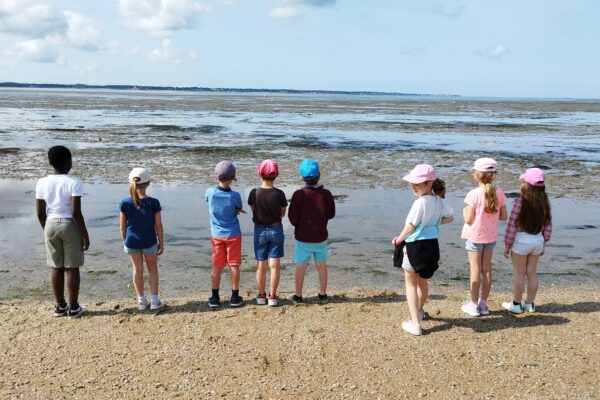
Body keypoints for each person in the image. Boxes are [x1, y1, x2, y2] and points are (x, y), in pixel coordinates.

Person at [391, 164, 454, 336]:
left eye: (417, 183)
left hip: (415, 246)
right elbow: (451, 217)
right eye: (412, 183)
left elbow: (410, 227)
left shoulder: (420, 203)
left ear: (429, 183)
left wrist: (398, 239)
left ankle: (415, 323)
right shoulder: (439, 201)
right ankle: (419, 311)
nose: (413, 186)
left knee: (410, 284)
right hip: (432, 245)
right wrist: (433, 224)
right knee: (423, 281)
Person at [36, 145, 90, 318]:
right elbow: (75, 213)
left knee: (56, 266)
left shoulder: (41, 182)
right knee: (72, 267)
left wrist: (46, 228)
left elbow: (39, 212)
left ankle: (60, 306)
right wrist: (85, 235)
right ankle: (74, 307)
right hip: (69, 224)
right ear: (69, 162)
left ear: (50, 163)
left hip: (50, 224)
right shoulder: (74, 183)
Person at [460, 158, 508, 317]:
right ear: (494, 175)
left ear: (476, 174)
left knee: (475, 269)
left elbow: (468, 219)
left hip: (474, 237)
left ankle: (473, 304)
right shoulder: (499, 193)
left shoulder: (473, 194)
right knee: (486, 270)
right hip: (490, 237)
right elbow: (503, 216)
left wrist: (464, 212)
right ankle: (483, 303)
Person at [502, 168, 552, 314]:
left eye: (523, 181)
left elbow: (512, 226)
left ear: (526, 185)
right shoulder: (545, 204)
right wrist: (544, 242)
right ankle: (529, 304)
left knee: (519, 273)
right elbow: (548, 225)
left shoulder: (519, 202)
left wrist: (507, 245)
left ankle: (516, 304)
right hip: (538, 239)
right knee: (532, 273)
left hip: (522, 241)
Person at [288, 159, 336, 304]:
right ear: (319, 175)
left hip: (302, 237)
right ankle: (322, 294)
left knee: (301, 266)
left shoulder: (298, 195)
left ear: (301, 178)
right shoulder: (326, 194)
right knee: (321, 265)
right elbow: (331, 214)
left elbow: (293, 218)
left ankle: (298, 295)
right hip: (320, 237)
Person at [119, 168, 165, 311]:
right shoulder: (154, 203)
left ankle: (141, 301)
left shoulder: (125, 202)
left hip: (132, 241)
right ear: (148, 183)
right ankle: (155, 300)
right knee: (152, 270)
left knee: (137, 270)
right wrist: (161, 242)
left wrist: (124, 241)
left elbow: (122, 226)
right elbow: (158, 225)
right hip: (149, 241)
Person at [205, 161, 245, 308]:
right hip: (233, 234)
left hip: (216, 235)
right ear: (232, 178)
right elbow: (238, 207)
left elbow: (209, 202)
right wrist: (236, 210)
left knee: (217, 266)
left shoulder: (210, 192)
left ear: (216, 177)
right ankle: (234, 296)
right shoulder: (235, 195)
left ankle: (214, 297)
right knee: (234, 265)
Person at [248, 159, 288, 306]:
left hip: (259, 230)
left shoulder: (254, 193)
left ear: (259, 173)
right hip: (276, 228)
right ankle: (272, 296)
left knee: (261, 265)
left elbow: (253, 208)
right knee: (275, 265)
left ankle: (261, 295)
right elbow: (282, 213)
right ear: (276, 175)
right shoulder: (280, 194)